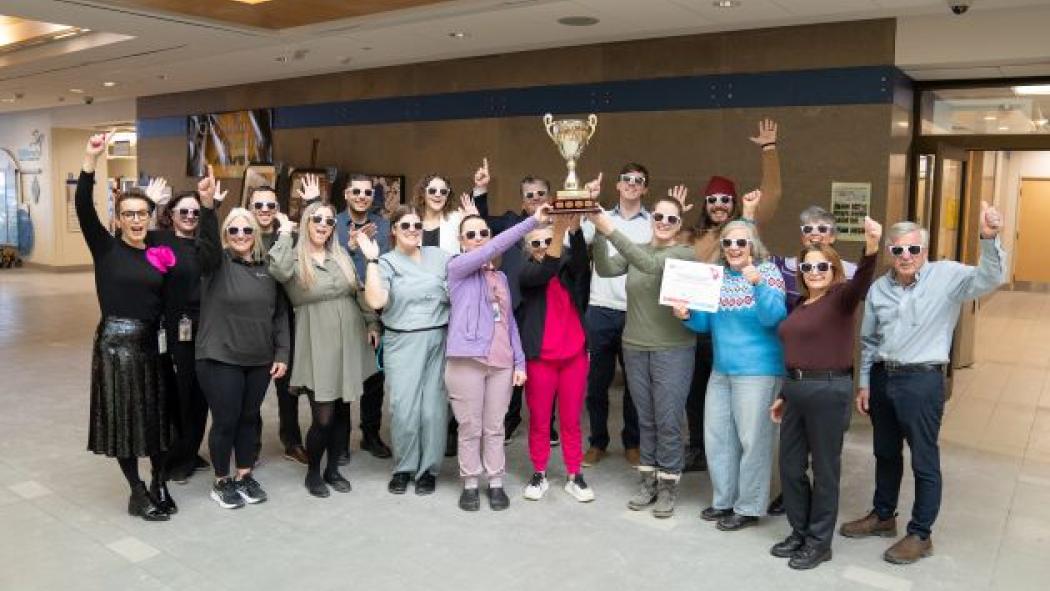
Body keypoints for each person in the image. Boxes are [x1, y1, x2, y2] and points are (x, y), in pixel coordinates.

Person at [840, 205, 1007, 565]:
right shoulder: (880, 289)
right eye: (898, 249)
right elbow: (868, 342)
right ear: (889, 252)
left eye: (913, 249)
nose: (905, 256)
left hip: (922, 380)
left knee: (924, 460)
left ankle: (921, 534)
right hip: (884, 377)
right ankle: (883, 516)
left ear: (925, 251)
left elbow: (991, 277)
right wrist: (866, 383)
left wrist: (989, 238)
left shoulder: (947, 276)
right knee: (885, 452)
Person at [766, 217, 881, 569]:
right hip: (797, 390)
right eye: (808, 266)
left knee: (825, 469)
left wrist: (872, 247)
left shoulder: (840, 299)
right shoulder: (802, 304)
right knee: (790, 466)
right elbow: (798, 352)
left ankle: (819, 542)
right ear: (800, 271)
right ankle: (799, 531)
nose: (814, 271)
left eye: (822, 265)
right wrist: (785, 393)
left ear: (833, 269)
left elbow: (861, 281)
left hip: (830, 390)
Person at [78, 133, 174, 521]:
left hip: (154, 344)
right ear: (118, 219)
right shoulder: (106, 248)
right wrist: (90, 160)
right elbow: (84, 206)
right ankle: (136, 490)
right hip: (116, 346)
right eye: (129, 214)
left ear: (149, 217)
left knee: (158, 417)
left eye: (142, 214)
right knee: (125, 420)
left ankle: (160, 482)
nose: (136, 220)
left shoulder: (157, 249)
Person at [268, 175, 380, 498]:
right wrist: (286, 234)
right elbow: (276, 269)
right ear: (306, 223)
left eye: (329, 221)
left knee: (344, 410)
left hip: (349, 338)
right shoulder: (293, 257)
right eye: (316, 219)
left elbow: (358, 291)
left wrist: (372, 323)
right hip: (316, 342)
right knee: (323, 416)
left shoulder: (341, 255)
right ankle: (313, 472)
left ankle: (333, 470)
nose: (323, 225)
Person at [681, 119, 782, 474]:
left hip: (739, 328)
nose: (720, 205)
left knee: (741, 405)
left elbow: (772, 197)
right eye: (713, 200)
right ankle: (699, 448)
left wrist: (768, 151)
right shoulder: (690, 236)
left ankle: (743, 463)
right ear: (706, 203)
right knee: (700, 394)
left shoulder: (744, 230)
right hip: (701, 321)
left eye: (726, 199)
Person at [674, 220, 786, 531]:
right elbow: (704, 325)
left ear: (753, 246)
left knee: (753, 440)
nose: (734, 248)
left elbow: (774, 318)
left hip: (759, 371)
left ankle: (749, 507)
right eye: (728, 243)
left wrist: (757, 283)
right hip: (722, 369)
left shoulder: (768, 273)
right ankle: (724, 501)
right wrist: (687, 315)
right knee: (717, 437)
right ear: (722, 248)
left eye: (741, 243)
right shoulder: (717, 276)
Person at [590, 189, 696, 518]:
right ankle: (648, 480)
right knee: (646, 419)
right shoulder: (640, 249)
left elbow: (650, 265)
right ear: (652, 219)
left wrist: (609, 228)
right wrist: (596, 229)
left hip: (673, 348)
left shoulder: (683, 254)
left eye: (671, 218)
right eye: (659, 216)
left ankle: (668, 485)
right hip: (634, 345)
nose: (663, 222)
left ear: (679, 225)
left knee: (667, 420)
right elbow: (607, 269)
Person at [194, 169, 290, 509]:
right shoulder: (215, 264)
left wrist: (282, 352)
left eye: (247, 229)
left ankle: (244, 475)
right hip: (220, 357)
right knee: (227, 419)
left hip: (259, 358)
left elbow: (278, 313)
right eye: (233, 229)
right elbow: (204, 247)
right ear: (225, 233)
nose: (240, 234)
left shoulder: (267, 267)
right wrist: (208, 208)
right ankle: (222, 480)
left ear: (256, 234)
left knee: (250, 417)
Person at [444, 205, 548, 511]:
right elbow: (493, 248)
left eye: (483, 233)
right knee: (470, 427)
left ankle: (496, 481)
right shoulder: (457, 267)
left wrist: (519, 362)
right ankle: (471, 482)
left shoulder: (500, 277)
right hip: (466, 360)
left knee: (495, 426)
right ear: (462, 242)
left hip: (501, 362)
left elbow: (509, 321)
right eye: (471, 235)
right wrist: (532, 222)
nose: (478, 239)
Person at [359, 207, 451, 496]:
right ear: (394, 230)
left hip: (438, 338)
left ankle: (428, 471)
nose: (413, 229)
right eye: (406, 225)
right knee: (403, 410)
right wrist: (371, 260)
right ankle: (405, 468)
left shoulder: (440, 257)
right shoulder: (384, 262)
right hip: (402, 341)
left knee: (433, 409)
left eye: (417, 224)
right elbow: (376, 299)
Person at [471, 161, 559, 447]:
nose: (535, 199)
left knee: (546, 368)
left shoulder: (561, 226)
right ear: (523, 200)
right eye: (530, 195)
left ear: (549, 195)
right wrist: (481, 189)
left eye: (540, 193)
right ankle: (510, 420)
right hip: (514, 306)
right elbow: (481, 221)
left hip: (549, 308)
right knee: (510, 366)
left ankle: (547, 424)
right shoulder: (510, 223)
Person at [579, 164, 651, 468]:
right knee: (597, 382)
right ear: (618, 186)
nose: (632, 185)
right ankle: (597, 442)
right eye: (627, 180)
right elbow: (580, 239)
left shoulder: (652, 223)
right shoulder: (600, 216)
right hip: (600, 309)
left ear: (645, 189)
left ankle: (632, 442)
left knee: (635, 385)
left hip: (636, 311)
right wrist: (587, 203)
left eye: (639, 181)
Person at [517, 215, 593, 502]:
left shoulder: (568, 269)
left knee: (571, 420)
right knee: (539, 419)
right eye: (535, 243)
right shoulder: (527, 274)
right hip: (540, 359)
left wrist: (572, 230)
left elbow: (580, 263)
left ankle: (575, 473)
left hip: (574, 356)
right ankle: (539, 472)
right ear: (528, 249)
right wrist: (558, 233)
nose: (542, 246)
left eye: (547, 241)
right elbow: (544, 269)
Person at [147, 183, 210, 484]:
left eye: (194, 212)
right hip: (175, 330)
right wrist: (150, 203)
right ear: (171, 214)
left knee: (201, 395)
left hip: (207, 329)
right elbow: (132, 248)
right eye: (183, 211)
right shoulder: (161, 242)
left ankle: (191, 450)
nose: (189, 216)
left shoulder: (205, 245)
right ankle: (175, 458)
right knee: (179, 395)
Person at [336, 174, 392, 460]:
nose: (361, 196)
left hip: (375, 306)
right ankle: (341, 440)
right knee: (343, 375)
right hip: (341, 306)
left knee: (375, 374)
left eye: (367, 192)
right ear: (346, 194)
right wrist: (350, 247)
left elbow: (391, 264)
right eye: (355, 191)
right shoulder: (331, 224)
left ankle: (370, 434)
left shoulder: (384, 226)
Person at [250, 186, 307, 465]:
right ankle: (252, 443)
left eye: (270, 205)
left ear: (277, 209)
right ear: (250, 207)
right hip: (254, 322)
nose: (264, 210)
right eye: (258, 205)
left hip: (287, 318)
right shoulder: (241, 236)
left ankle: (292, 441)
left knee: (288, 389)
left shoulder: (290, 237)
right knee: (253, 388)